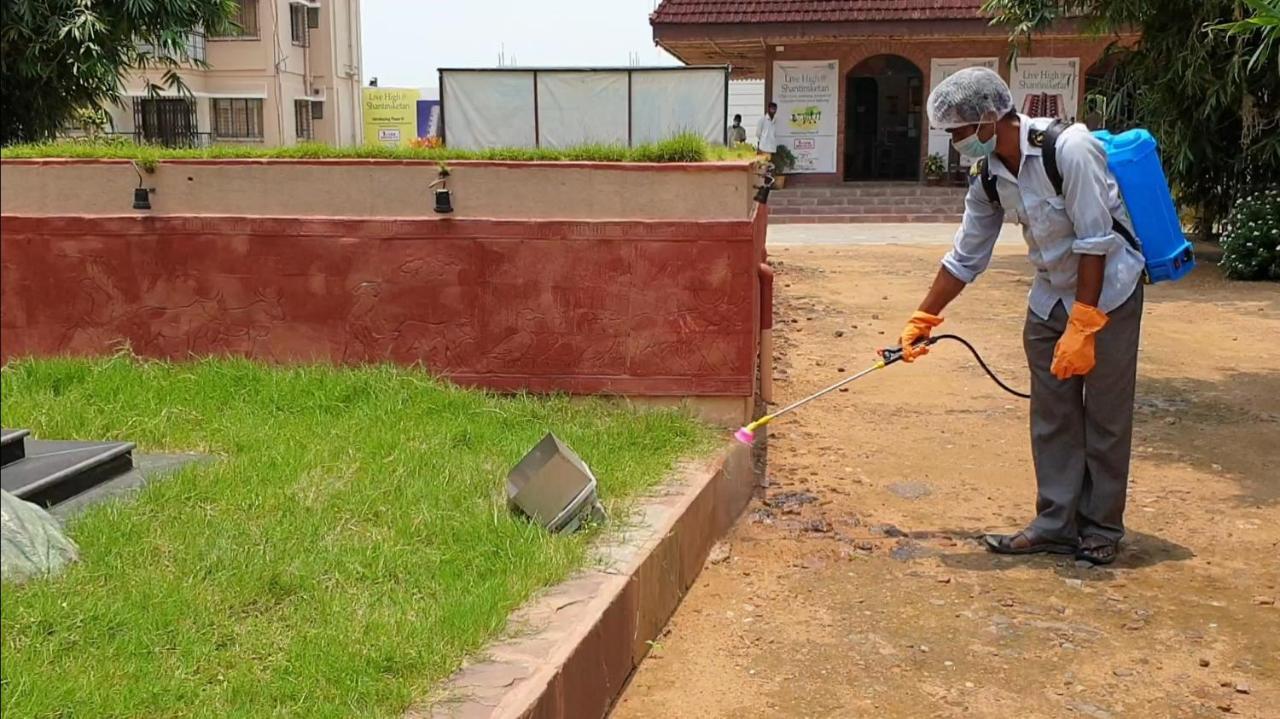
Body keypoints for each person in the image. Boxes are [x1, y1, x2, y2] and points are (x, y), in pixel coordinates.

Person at [897, 67, 1145, 565]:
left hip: (1110, 295)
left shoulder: (1070, 149)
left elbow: (1095, 241)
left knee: (1105, 416)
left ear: (989, 118)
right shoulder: (988, 176)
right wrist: (923, 317)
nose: (955, 142)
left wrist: (1085, 322)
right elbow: (965, 257)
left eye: (958, 132)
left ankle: (1100, 528)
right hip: (1049, 297)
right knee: (1051, 415)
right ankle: (1055, 523)